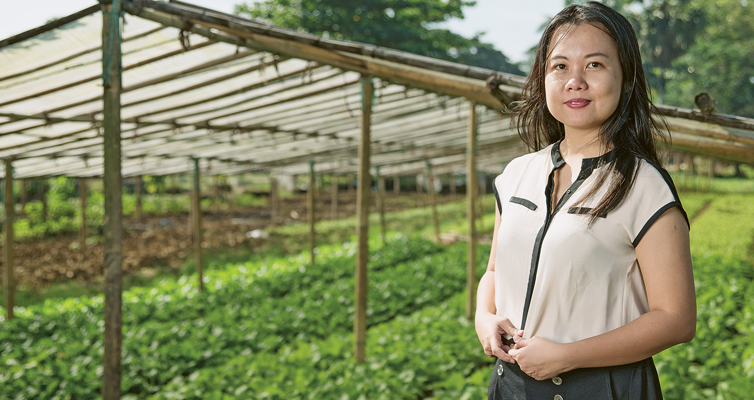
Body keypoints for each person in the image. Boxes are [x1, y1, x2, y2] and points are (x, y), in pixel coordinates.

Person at [474, 2, 696, 399]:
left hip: (603, 387)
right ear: (542, 79)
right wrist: (483, 317)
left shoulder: (645, 186)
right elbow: (493, 272)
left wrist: (568, 356)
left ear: (626, 80)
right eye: (560, 66)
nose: (574, 81)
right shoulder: (515, 176)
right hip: (512, 386)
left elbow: (676, 319)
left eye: (594, 65)